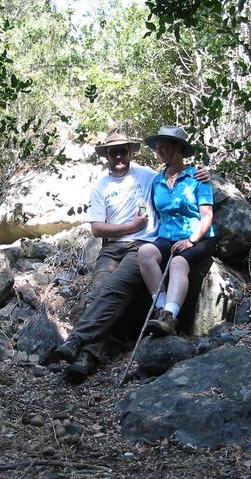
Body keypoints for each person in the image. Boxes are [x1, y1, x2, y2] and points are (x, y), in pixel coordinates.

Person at [54, 128, 210, 382]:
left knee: (115, 289)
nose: (118, 156)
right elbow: (96, 228)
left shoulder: (149, 176)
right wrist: (129, 227)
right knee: (97, 292)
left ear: (130, 152)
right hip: (111, 248)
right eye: (113, 152)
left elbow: (180, 175)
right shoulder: (101, 186)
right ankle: (87, 355)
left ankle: (78, 344)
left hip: (141, 245)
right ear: (106, 155)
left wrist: (206, 174)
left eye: (122, 151)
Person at [138, 125, 216, 337]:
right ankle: (162, 309)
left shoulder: (197, 178)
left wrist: (191, 240)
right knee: (145, 253)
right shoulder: (156, 181)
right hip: (167, 237)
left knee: (178, 262)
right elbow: (147, 209)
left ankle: (171, 316)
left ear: (178, 148)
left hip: (198, 237)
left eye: (164, 147)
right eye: (158, 147)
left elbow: (207, 216)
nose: (159, 151)